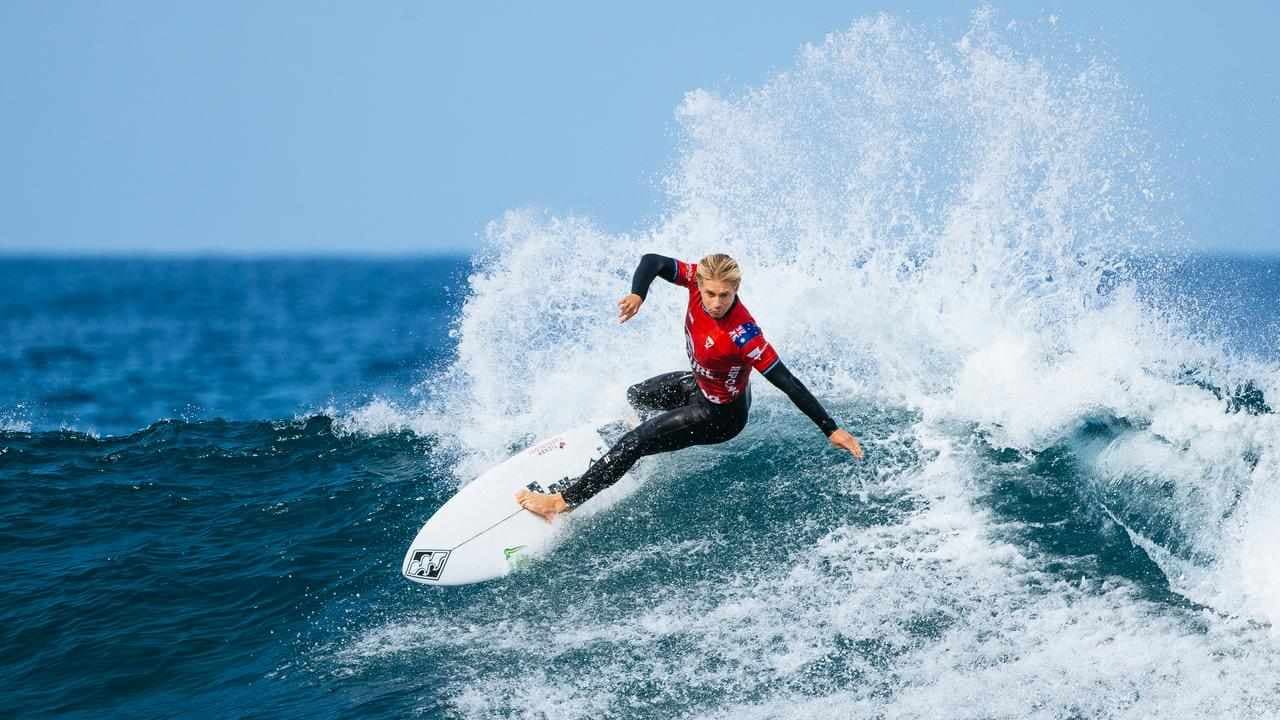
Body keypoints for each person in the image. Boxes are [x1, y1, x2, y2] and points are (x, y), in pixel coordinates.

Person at [515, 252, 864, 521]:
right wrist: (639, 294)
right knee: (637, 396)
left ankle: (562, 502)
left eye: (725, 296)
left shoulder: (744, 335)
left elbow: (789, 382)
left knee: (635, 441)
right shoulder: (695, 281)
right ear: (699, 285)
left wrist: (830, 429)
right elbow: (652, 261)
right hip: (697, 385)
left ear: (736, 290)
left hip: (719, 416)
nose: (715, 303)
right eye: (710, 293)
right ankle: (634, 455)